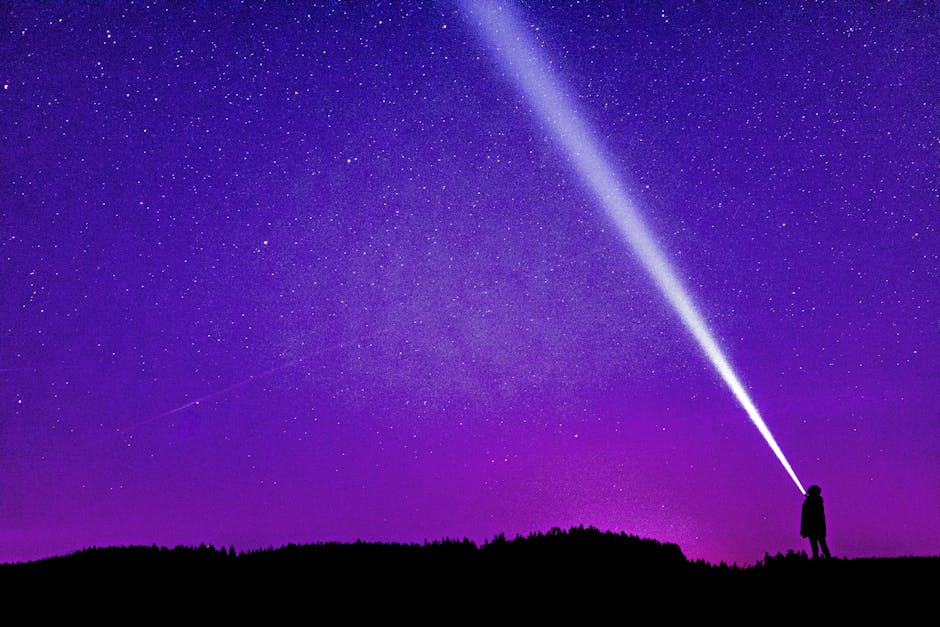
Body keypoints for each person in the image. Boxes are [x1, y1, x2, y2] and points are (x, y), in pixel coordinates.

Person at [800, 485, 831, 559]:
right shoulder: (815, 501)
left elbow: (806, 515)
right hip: (816, 527)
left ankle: (822, 558)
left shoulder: (814, 501)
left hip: (814, 526)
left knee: (819, 544)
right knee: (819, 544)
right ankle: (823, 558)